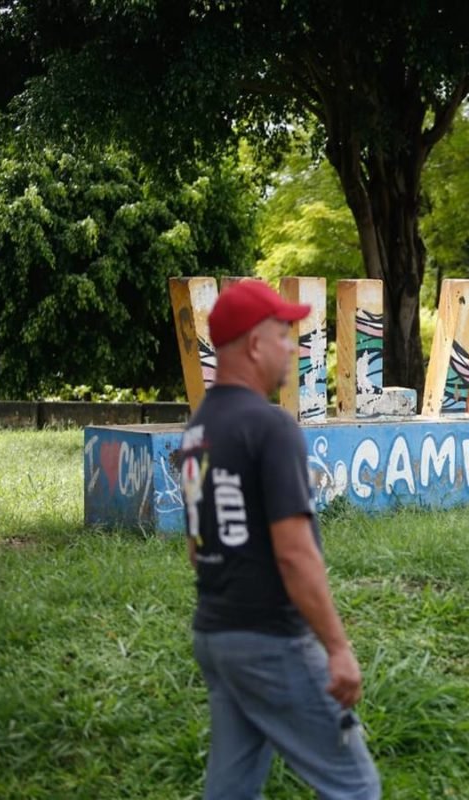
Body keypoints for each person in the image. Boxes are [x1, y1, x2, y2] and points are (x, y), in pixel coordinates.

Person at [180, 279, 381, 800]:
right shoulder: (270, 428)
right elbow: (294, 553)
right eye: (283, 334)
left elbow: (197, 547)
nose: (293, 347)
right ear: (253, 344)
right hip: (271, 640)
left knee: (231, 790)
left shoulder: (198, 431)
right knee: (355, 787)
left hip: (216, 636)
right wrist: (337, 648)